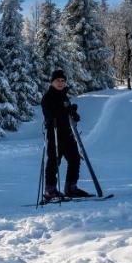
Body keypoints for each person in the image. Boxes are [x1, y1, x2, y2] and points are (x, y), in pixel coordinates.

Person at [40, 69, 89, 201]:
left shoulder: (64, 95)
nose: (61, 83)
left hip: (67, 133)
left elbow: (67, 112)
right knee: (54, 162)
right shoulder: (48, 97)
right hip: (54, 133)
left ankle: (71, 188)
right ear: (52, 82)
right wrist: (66, 110)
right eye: (58, 80)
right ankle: (50, 190)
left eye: (63, 80)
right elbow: (51, 114)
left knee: (75, 159)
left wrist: (73, 114)